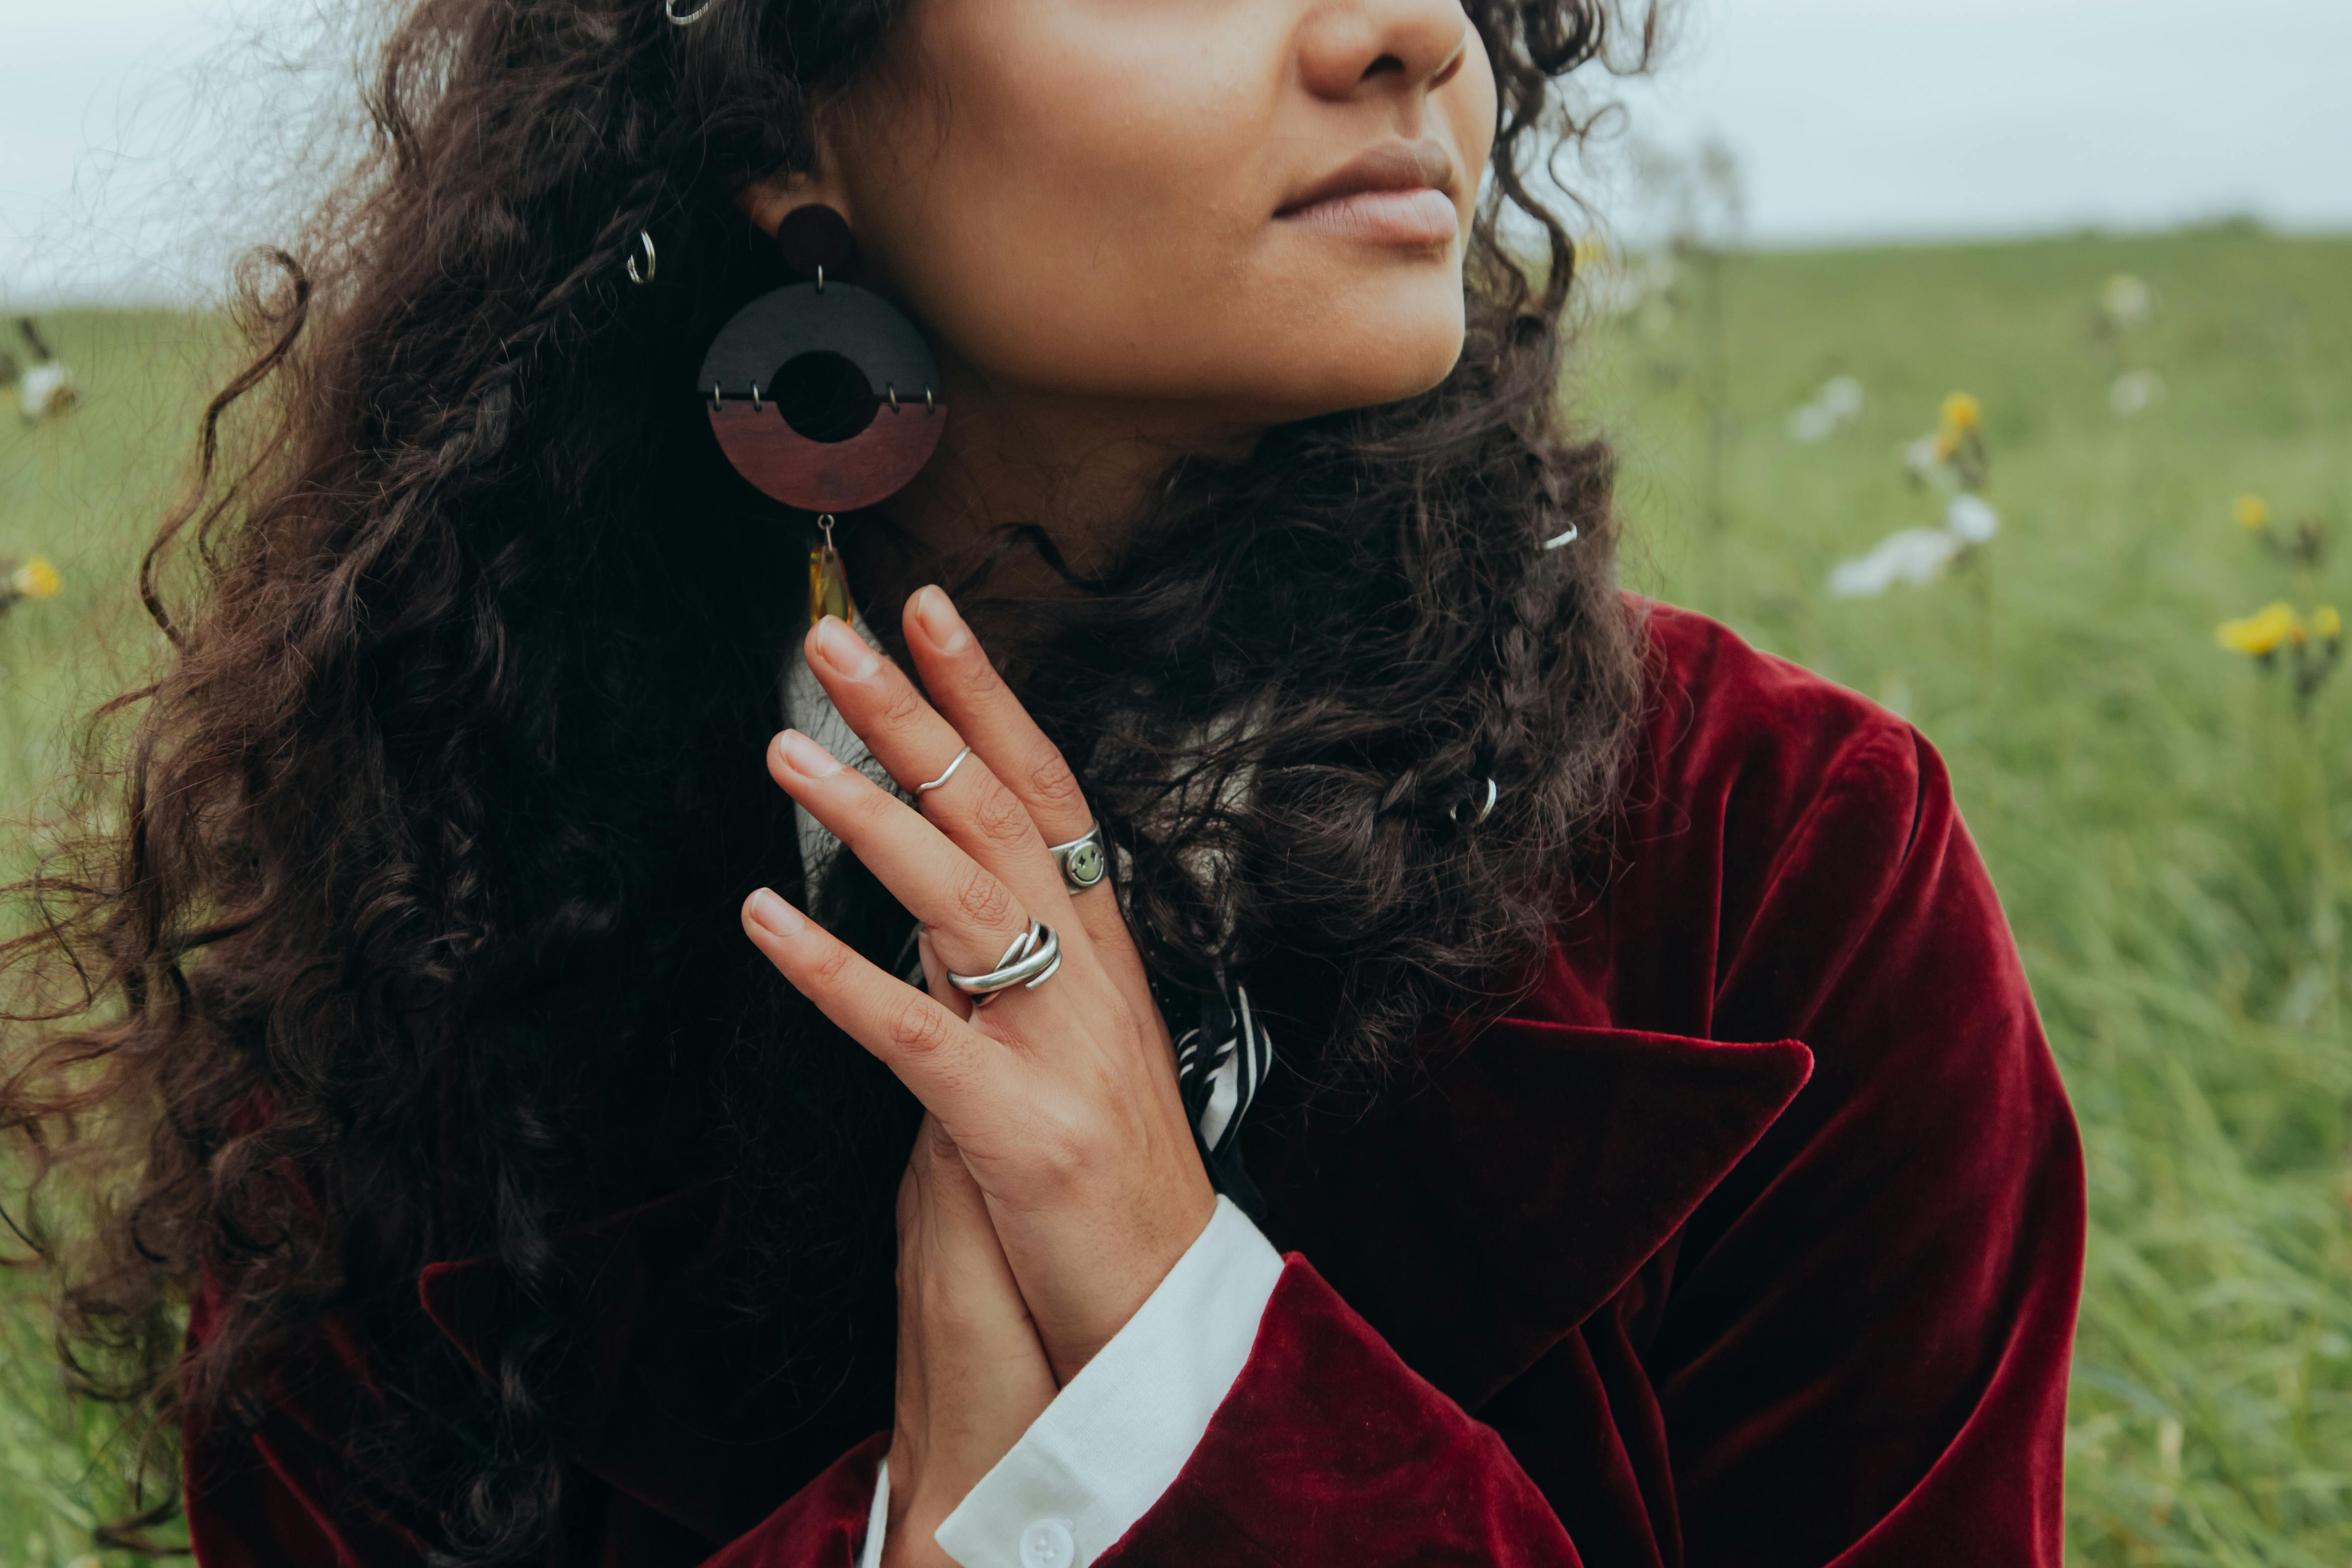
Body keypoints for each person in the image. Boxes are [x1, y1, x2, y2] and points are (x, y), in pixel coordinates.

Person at [0, 0, 2083, 1564]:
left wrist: (1183, 1359)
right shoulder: (444, 905)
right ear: (787, 118)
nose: (1404, 35)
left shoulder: (1777, 852)